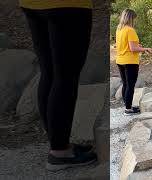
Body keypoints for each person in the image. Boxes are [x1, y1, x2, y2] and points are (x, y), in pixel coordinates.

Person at [20, 0, 97, 171]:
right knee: (65, 77)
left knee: (50, 72)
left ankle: (59, 143)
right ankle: (59, 152)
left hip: (32, 4)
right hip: (67, 5)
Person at [116, 8, 152, 115]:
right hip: (130, 62)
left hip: (120, 60)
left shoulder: (119, 29)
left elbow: (127, 46)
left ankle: (127, 105)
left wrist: (139, 47)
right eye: (134, 19)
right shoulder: (130, 30)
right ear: (131, 18)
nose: (135, 21)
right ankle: (128, 109)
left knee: (125, 84)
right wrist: (145, 49)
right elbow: (133, 49)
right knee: (130, 85)